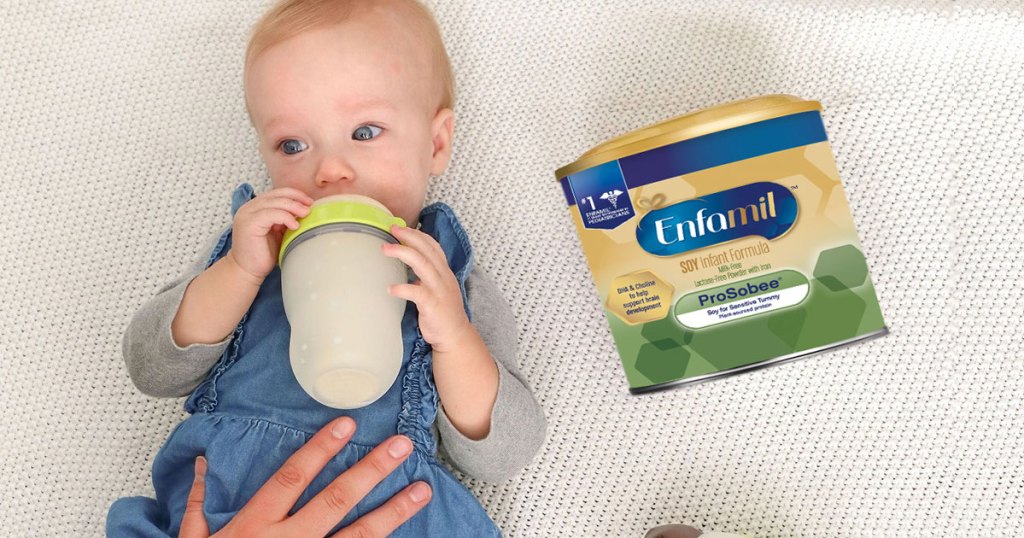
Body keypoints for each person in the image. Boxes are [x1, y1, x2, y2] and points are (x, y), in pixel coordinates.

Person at [106, 0, 547, 535]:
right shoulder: (253, 248)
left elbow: (503, 456)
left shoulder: (448, 278)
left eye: (365, 132)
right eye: (292, 145)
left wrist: (454, 338)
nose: (329, 169)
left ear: (435, 142)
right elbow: (150, 368)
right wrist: (239, 273)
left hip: (392, 506)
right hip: (225, 500)